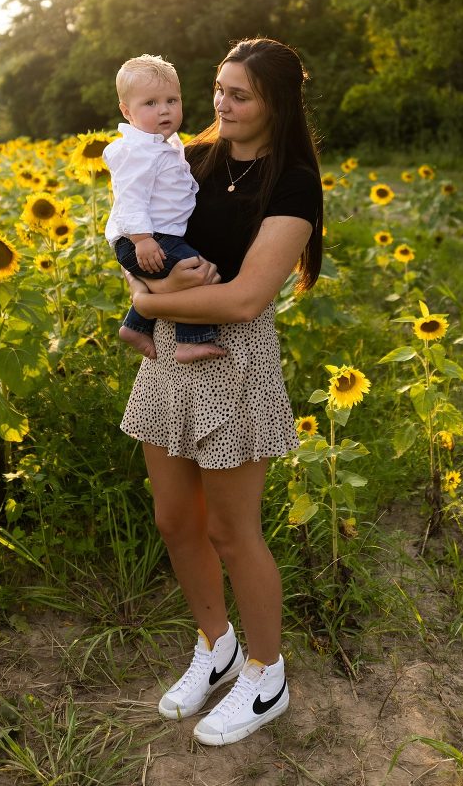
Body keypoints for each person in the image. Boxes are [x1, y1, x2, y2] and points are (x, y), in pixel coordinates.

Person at [119, 37, 323, 746]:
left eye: (240, 94)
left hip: (233, 361)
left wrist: (150, 304)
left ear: (276, 104)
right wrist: (145, 291)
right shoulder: (189, 157)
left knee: (231, 532)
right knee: (176, 521)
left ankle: (265, 674)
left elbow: (244, 300)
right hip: (170, 356)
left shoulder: (293, 181)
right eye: (217, 89)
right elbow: (129, 237)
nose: (220, 104)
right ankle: (217, 645)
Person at [103, 54, 226, 364]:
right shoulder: (137, 150)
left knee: (183, 273)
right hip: (146, 239)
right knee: (194, 271)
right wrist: (143, 240)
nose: (164, 110)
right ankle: (188, 341)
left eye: (172, 100)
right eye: (151, 103)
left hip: (155, 236)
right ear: (126, 111)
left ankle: (135, 325)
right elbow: (130, 197)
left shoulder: (163, 144)